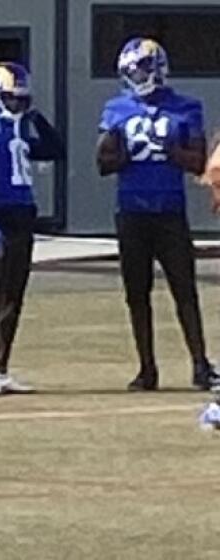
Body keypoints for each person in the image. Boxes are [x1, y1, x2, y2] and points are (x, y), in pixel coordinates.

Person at [97, 38, 219, 391]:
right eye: (132, 71)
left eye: (141, 69)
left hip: (169, 211)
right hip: (132, 211)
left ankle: (200, 364)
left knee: (185, 290)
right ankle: (146, 368)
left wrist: (170, 150)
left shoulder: (185, 107)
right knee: (137, 293)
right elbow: (103, 163)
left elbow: (196, 161)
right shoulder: (116, 109)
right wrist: (121, 154)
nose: (137, 76)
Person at [0, 61, 64, 398]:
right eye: (12, 97)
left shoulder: (18, 130)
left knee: (13, 297)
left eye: (23, 99)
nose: (19, 104)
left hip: (22, 215)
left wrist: (37, 120)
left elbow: (55, 151)